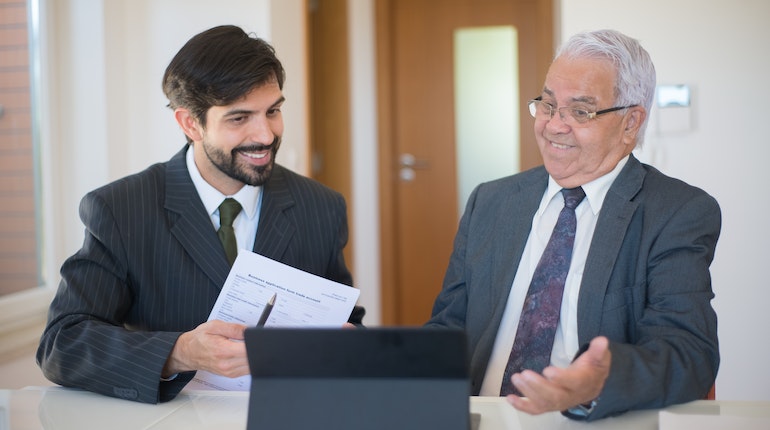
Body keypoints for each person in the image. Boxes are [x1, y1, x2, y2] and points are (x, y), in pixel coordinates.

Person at [37, 25, 364, 404]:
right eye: (239, 118)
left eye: (273, 111)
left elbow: (346, 320)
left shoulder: (321, 207)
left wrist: (350, 343)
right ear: (190, 124)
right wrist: (179, 352)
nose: (266, 134)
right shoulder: (120, 209)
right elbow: (62, 344)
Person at [426, 29, 720, 421]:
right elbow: (449, 328)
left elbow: (687, 351)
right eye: (547, 105)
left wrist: (599, 382)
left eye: (580, 112)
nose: (554, 126)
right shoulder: (491, 202)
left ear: (630, 123)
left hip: (591, 419)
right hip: (482, 417)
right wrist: (374, 358)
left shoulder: (676, 212)